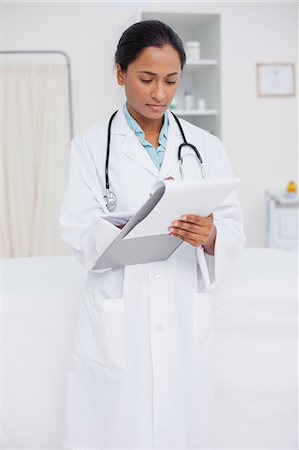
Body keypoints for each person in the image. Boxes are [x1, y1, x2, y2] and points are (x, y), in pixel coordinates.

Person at [59, 19, 245, 449]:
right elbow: (76, 226)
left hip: (183, 303)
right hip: (120, 304)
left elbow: (232, 226)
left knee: (183, 426)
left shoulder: (205, 146)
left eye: (171, 80)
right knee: (115, 428)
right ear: (120, 73)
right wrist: (129, 231)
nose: (160, 93)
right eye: (146, 79)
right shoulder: (89, 148)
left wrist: (212, 234)